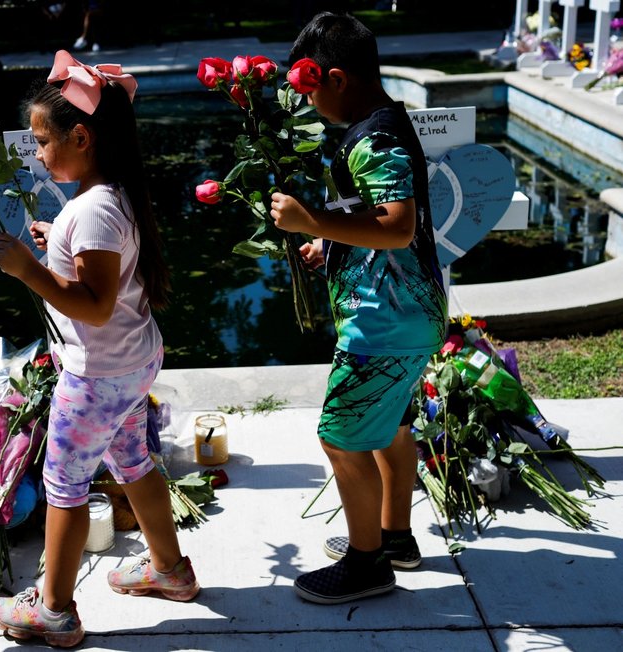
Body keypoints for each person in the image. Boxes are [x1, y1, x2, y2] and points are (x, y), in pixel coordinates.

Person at [0, 49, 199, 647]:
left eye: (41, 139)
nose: (36, 151)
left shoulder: (94, 208)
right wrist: (57, 238)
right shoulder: (111, 196)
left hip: (97, 376)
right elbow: (105, 270)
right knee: (132, 461)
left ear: (80, 136)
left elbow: (94, 303)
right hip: (131, 364)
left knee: (64, 485)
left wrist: (30, 270)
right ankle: (169, 569)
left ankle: (53, 608)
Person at [269, 12, 447, 604]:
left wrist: (310, 219)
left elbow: (397, 227)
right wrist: (334, 237)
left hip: (384, 322)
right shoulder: (384, 122)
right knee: (391, 427)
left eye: (309, 88)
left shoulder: (374, 137)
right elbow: (373, 210)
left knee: (342, 438)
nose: (308, 101)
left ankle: (368, 564)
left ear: (336, 78)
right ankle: (395, 536)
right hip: (405, 314)